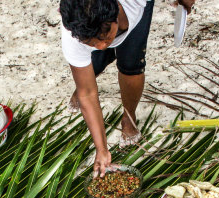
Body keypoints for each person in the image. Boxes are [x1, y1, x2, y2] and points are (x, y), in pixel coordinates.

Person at [60, 0, 195, 176]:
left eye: (103, 37)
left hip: (132, 14)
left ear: (115, 14)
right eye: (91, 43)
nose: (100, 45)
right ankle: (80, 84)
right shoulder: (73, 35)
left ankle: (128, 119)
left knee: (131, 64)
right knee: (96, 62)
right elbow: (88, 93)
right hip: (103, 21)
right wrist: (102, 149)